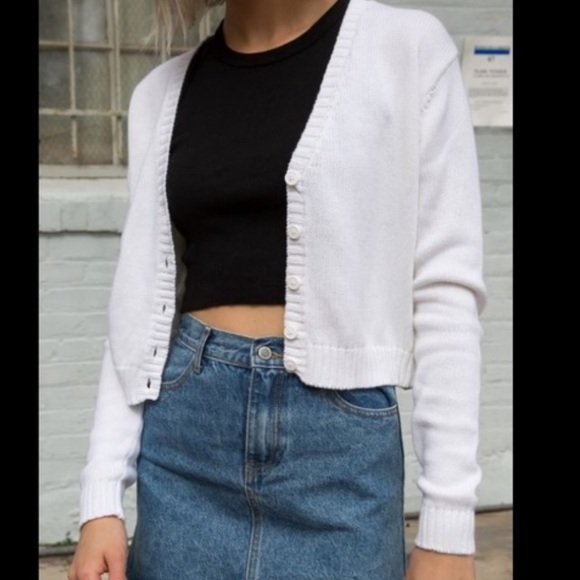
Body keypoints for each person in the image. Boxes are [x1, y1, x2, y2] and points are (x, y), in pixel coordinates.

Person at [68, 0, 486, 578]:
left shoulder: (408, 49)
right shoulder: (157, 94)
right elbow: (135, 315)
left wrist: (448, 528)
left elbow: (445, 293)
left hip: (339, 461)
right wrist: (101, 498)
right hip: (184, 447)